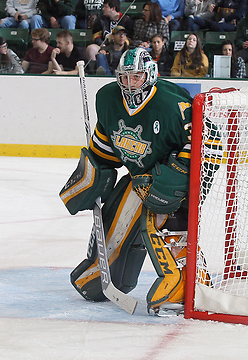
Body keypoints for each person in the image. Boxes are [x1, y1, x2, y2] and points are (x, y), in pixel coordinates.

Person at [61, 47, 199, 316]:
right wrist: (95, 172)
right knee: (116, 219)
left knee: (161, 224)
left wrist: (173, 178)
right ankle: (104, 276)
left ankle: (181, 281)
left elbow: (205, 142)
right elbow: (106, 144)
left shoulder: (174, 103)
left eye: (136, 77)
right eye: (125, 78)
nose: (129, 84)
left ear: (149, 75)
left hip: (177, 183)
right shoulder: (108, 98)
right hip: (139, 179)